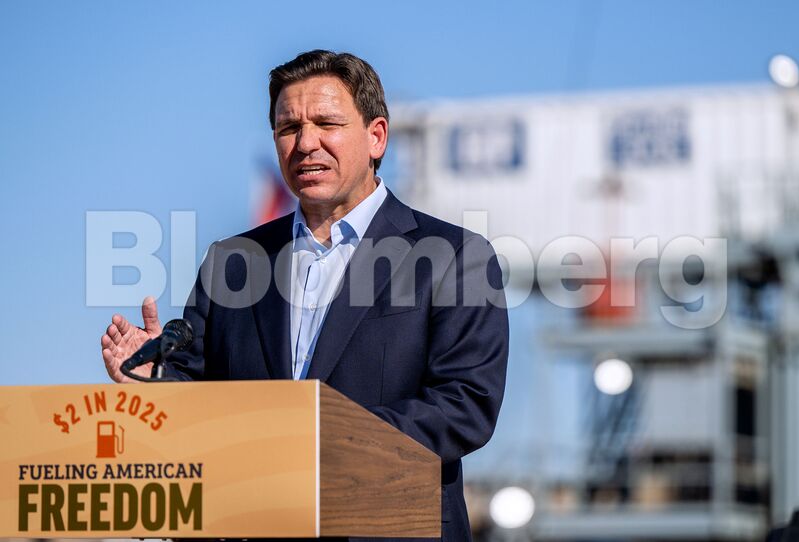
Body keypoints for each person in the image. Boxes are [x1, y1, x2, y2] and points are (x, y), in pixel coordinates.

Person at [101, 50, 509, 542]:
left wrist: (313, 439)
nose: (305, 143)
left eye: (326, 123)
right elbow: (199, 398)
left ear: (376, 136)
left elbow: (465, 404)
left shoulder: (453, 256)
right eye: (287, 128)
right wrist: (157, 385)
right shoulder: (233, 262)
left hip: (391, 528)